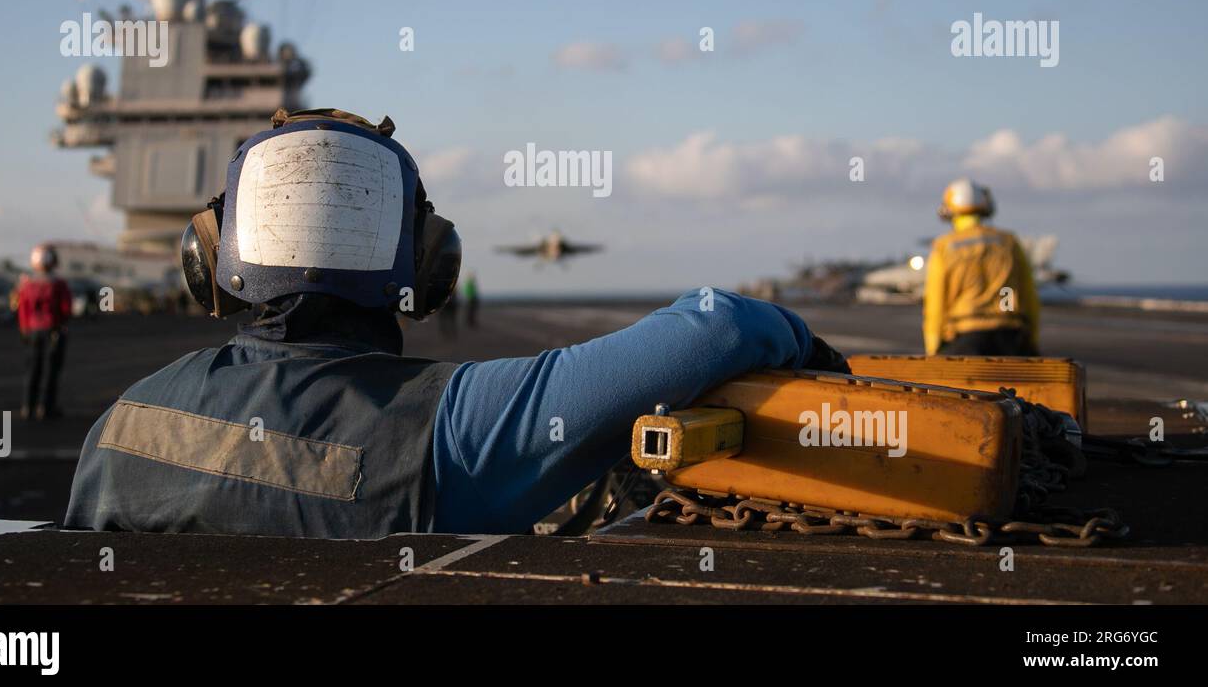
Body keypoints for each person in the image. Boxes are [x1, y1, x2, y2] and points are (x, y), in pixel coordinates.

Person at [64, 108, 847, 539]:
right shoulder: (454, 428)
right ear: (430, 267)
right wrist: (817, 355)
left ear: (209, 258)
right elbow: (719, 327)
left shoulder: (120, 428)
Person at [923, 178, 1040, 357]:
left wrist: (934, 347)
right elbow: (1029, 297)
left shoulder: (945, 246)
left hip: (965, 337)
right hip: (1010, 337)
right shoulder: (1009, 242)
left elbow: (936, 303)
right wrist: (1031, 342)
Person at [17, 244, 73, 419]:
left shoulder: (27, 284)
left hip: (32, 330)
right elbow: (66, 308)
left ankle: (28, 406)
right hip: (53, 330)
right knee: (51, 370)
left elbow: (22, 309)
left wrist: (25, 329)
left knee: (32, 369)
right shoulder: (58, 284)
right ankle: (46, 408)